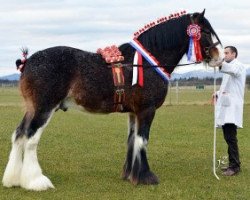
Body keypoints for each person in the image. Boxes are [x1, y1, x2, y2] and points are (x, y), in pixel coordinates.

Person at [211, 46, 246, 176]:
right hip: (227, 107)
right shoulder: (228, 69)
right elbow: (227, 87)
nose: (224, 55)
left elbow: (233, 71)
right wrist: (217, 93)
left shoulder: (239, 66)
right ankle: (233, 164)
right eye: (223, 53)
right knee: (228, 137)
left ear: (234, 54)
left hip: (232, 108)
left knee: (231, 138)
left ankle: (235, 166)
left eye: (227, 53)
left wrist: (220, 62)